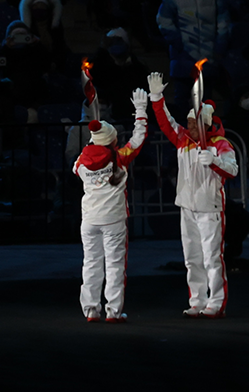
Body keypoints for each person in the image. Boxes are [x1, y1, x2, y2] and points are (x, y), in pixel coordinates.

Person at [148, 72, 237, 319]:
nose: (189, 128)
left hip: (209, 209)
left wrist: (215, 161)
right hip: (187, 207)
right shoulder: (182, 140)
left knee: (212, 258)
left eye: (193, 124)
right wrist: (157, 99)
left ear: (206, 125)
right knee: (192, 258)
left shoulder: (221, 145)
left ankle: (216, 303)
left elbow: (233, 170)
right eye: (188, 123)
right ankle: (197, 301)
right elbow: (165, 122)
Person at [73, 88, 148, 323]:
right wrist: (141, 111)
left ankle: (91, 311)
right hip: (113, 220)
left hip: (89, 220)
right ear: (113, 140)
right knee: (115, 266)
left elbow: (76, 168)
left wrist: (92, 143)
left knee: (91, 264)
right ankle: (113, 312)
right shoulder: (120, 156)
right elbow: (138, 138)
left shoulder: (82, 160)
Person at [156, 0, 231, 105]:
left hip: (208, 56)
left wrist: (219, 46)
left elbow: (224, 21)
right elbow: (163, 20)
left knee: (205, 102)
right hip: (182, 56)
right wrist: (178, 43)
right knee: (182, 100)